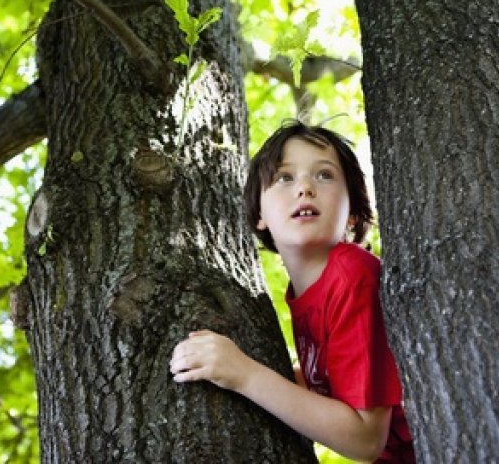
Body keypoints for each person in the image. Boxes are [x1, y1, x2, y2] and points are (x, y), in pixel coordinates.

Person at [170, 121, 415, 462]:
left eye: (324, 175)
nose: (304, 187)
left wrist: (245, 374)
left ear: (354, 215)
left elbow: (365, 438)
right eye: (285, 177)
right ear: (259, 215)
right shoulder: (304, 292)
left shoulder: (352, 276)